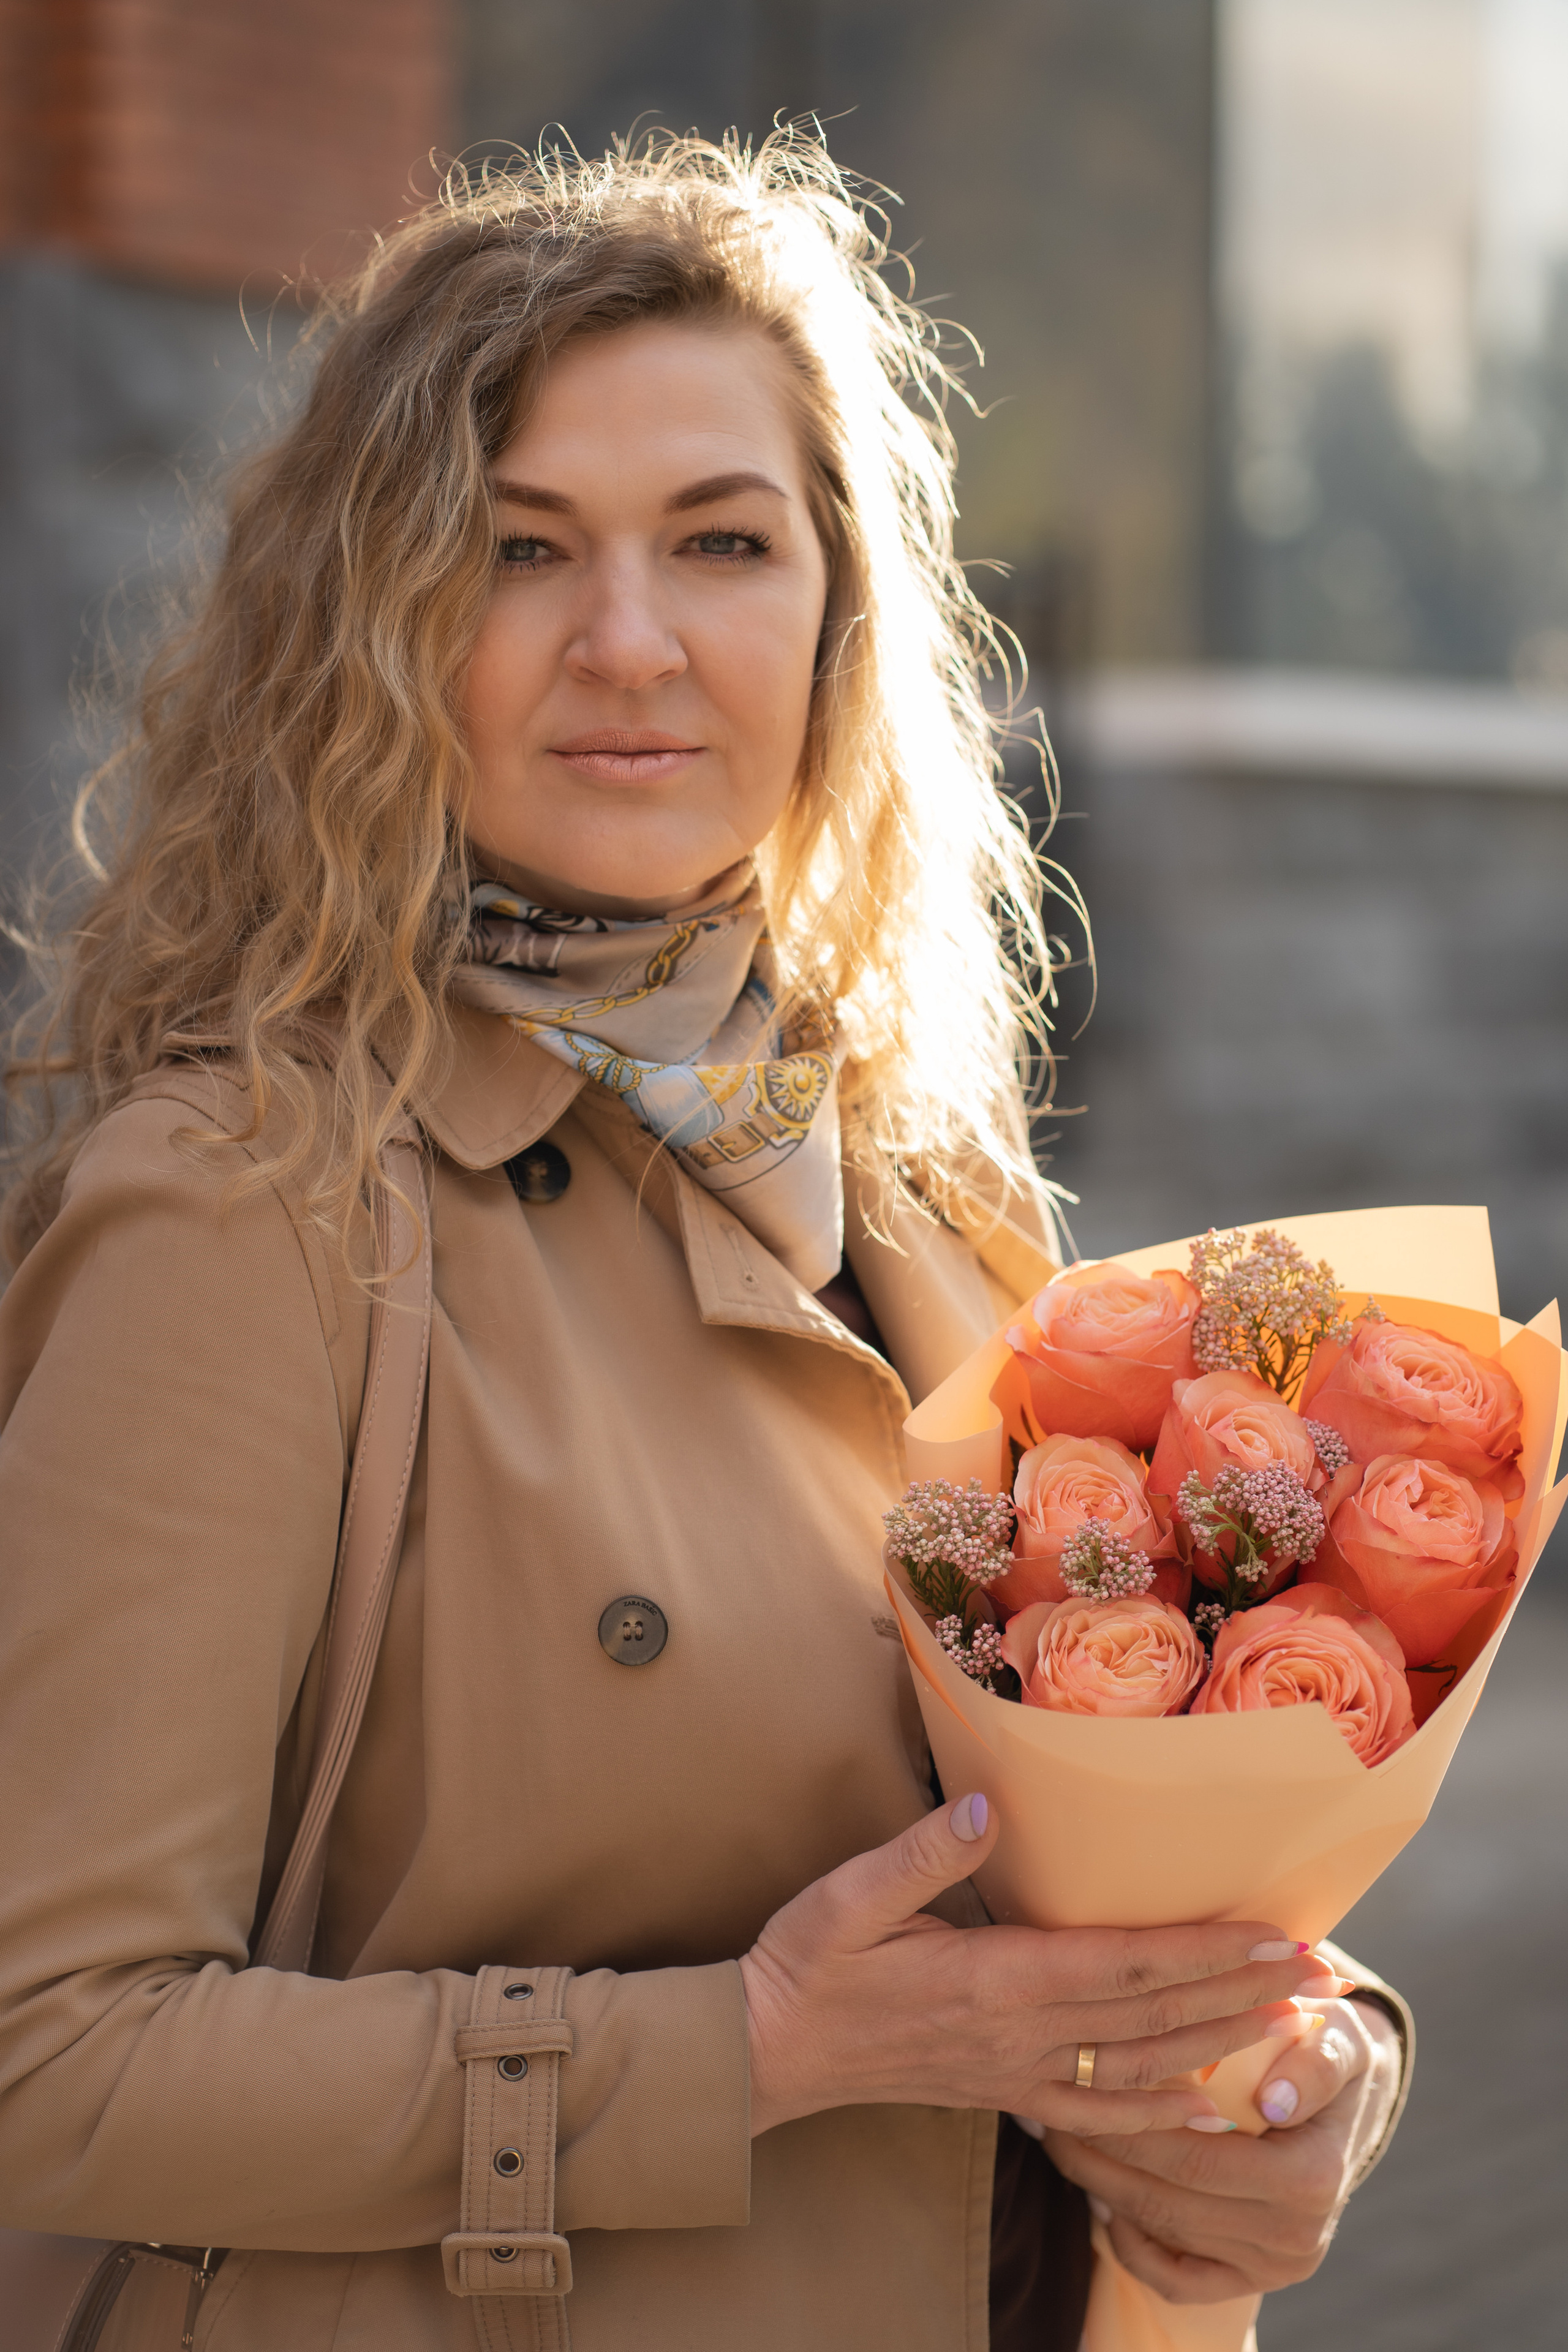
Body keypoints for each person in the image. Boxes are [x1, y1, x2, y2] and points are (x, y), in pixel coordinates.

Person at [0, 134, 1409, 2351]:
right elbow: (45, 2058)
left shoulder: (927, 1187)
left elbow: (1145, 1840)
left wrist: (1304, 2080)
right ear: (376, 618)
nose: (629, 641)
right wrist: (754, 2053)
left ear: (837, 611)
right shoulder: (250, 1204)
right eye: (519, 548)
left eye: (721, 544)